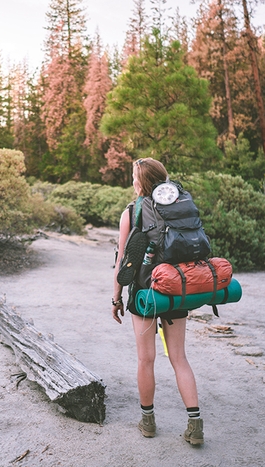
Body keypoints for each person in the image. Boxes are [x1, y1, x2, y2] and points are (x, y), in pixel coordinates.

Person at [111, 158, 203, 445]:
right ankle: (195, 425)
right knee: (179, 358)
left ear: (140, 182)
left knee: (145, 359)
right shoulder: (180, 206)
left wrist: (115, 297)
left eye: (134, 177)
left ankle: (148, 422)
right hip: (177, 289)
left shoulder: (131, 211)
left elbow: (122, 262)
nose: (132, 182)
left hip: (145, 293)